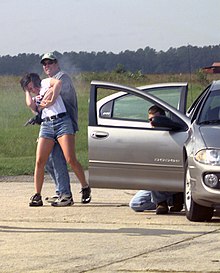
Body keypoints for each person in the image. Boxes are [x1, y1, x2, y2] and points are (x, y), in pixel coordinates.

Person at [20, 72, 90, 207]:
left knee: (70, 159)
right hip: (47, 125)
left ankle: (85, 186)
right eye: (29, 90)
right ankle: (37, 195)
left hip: (62, 121)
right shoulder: (36, 98)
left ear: (35, 81)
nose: (33, 90)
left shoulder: (46, 83)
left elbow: (58, 83)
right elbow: (31, 105)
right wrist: (26, 91)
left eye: (32, 87)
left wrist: (52, 99)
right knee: (40, 160)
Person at [41, 52, 91, 206]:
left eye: (50, 63)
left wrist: (43, 100)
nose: (47, 66)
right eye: (44, 64)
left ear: (57, 64)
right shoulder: (47, 82)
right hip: (50, 124)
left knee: (70, 159)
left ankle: (85, 186)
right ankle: (62, 192)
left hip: (65, 122)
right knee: (50, 160)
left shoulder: (63, 77)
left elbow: (50, 98)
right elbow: (43, 101)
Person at [129, 105, 184, 214]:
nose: (152, 123)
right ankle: (173, 199)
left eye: (155, 120)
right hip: (154, 185)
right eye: (150, 120)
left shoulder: (172, 134)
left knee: (154, 168)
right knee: (136, 204)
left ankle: (162, 202)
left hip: (168, 179)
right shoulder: (149, 136)